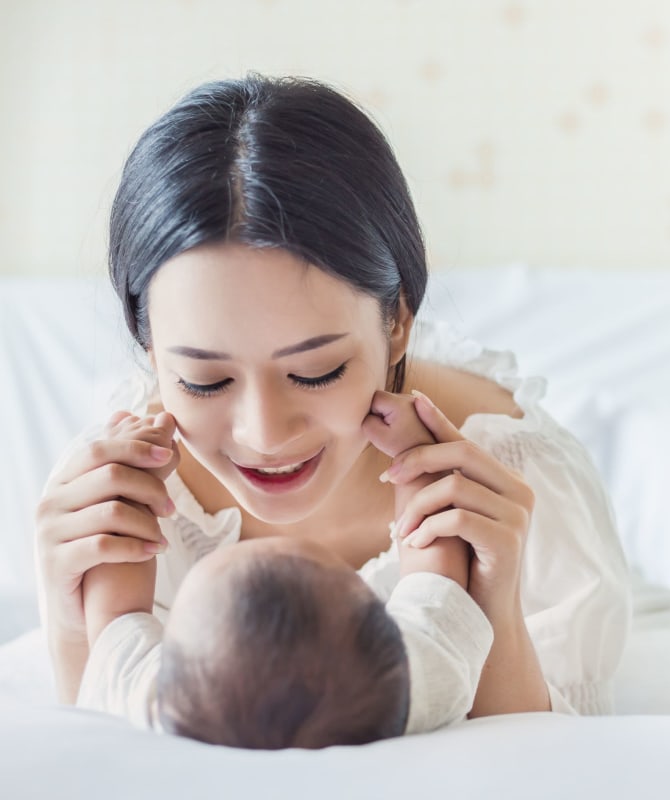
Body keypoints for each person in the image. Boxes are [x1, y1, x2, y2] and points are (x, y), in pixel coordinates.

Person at [35, 74, 630, 733]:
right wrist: (69, 615)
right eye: (205, 381)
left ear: (399, 319)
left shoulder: (522, 475)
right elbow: (94, 740)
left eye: (316, 371)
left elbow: (555, 761)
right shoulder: (115, 501)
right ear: (149, 350)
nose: (264, 434)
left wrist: (493, 605)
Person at [77, 394, 474, 748]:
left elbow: (116, 607)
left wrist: (131, 472)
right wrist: (414, 453)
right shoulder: (421, 688)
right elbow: (434, 573)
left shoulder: (142, 702)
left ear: (165, 670)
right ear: (392, 637)